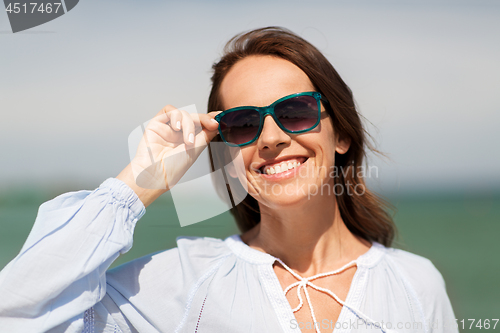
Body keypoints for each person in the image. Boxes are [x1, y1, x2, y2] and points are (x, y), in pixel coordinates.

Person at [0, 27, 457, 333]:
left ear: (340, 133)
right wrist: (140, 184)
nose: (272, 138)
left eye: (296, 112)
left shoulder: (417, 284)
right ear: (228, 155)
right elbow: (17, 313)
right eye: (243, 123)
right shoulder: (179, 283)